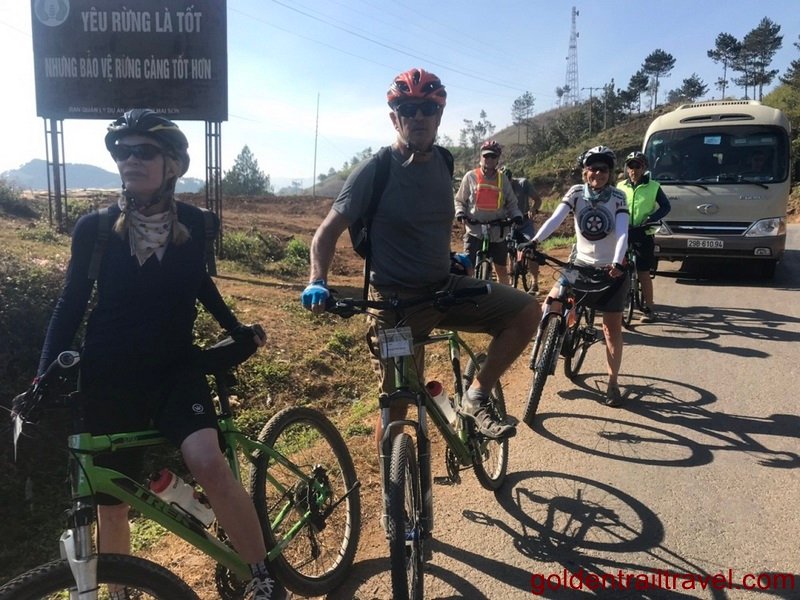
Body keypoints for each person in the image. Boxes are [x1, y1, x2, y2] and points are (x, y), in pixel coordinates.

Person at [34, 110, 284, 600]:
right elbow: (70, 304)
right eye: (122, 151)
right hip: (109, 374)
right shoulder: (95, 229)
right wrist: (42, 377)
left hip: (175, 369)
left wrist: (234, 329)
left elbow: (198, 283)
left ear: (173, 164)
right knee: (111, 504)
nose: (130, 159)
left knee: (208, 462)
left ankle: (263, 577)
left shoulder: (197, 224)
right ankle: (121, 593)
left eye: (143, 151)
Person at [301, 68, 539, 444]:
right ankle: (393, 480)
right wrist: (318, 280)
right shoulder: (375, 170)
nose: (418, 117)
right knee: (397, 406)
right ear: (394, 117)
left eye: (427, 109)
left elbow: (426, 223)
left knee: (527, 312)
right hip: (396, 306)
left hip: (444, 289)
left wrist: (448, 257)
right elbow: (326, 233)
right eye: (407, 109)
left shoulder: (443, 162)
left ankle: (476, 396)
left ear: (439, 115)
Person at [528, 146, 629, 407]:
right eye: (593, 168)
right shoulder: (575, 193)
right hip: (579, 264)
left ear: (610, 172)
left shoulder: (618, 197)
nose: (598, 173)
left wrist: (617, 260)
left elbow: (622, 233)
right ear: (585, 171)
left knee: (610, 329)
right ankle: (546, 345)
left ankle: (613, 383)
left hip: (610, 269)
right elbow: (555, 219)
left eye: (603, 169)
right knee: (551, 303)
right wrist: (534, 241)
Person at [455, 140, 523, 285]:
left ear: (498, 159)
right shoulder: (470, 177)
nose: (489, 159)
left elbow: (512, 203)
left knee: (501, 269)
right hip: (475, 229)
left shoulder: (503, 179)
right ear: (481, 157)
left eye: (493, 156)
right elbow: (460, 200)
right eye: (486, 156)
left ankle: (503, 297)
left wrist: (516, 216)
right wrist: (460, 213)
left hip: (497, 231)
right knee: (467, 267)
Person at [618, 151, 671, 323]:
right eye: (630, 166)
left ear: (644, 168)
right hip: (624, 232)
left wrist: (652, 218)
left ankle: (649, 308)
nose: (633, 170)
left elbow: (666, 206)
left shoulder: (653, 186)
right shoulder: (620, 186)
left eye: (637, 166)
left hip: (643, 232)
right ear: (627, 168)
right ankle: (617, 304)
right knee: (618, 269)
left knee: (643, 272)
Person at [504, 167, 542, 293]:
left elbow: (537, 199)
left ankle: (534, 281)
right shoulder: (499, 187)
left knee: (531, 248)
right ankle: (510, 280)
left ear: (512, 179)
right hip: (509, 223)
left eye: (508, 182)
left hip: (525, 222)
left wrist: (533, 209)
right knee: (508, 249)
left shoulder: (523, 183)